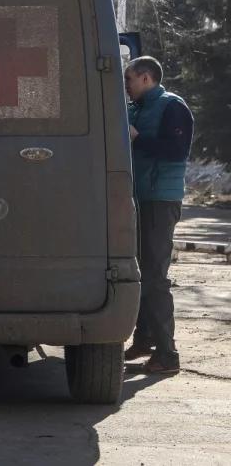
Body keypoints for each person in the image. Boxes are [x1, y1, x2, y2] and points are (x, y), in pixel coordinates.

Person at [123, 56, 194, 375]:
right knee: (139, 270)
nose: (126, 85)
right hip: (140, 197)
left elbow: (176, 150)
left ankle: (168, 354)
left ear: (147, 78)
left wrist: (138, 138)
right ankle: (145, 339)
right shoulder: (137, 107)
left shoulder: (171, 106)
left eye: (130, 79)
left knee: (155, 275)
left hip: (160, 200)